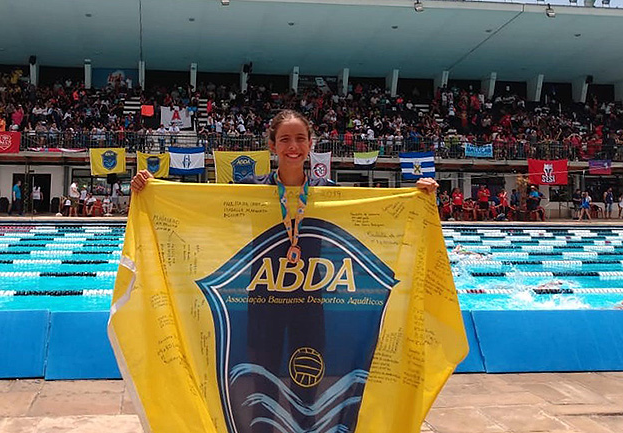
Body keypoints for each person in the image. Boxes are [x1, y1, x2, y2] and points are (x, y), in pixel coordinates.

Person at [131, 109, 438, 432]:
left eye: (301, 138)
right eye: (285, 139)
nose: (294, 146)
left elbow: (379, 214)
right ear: (272, 146)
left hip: (311, 302)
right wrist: (155, 189)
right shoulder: (251, 192)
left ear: (311, 144)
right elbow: (199, 210)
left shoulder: (330, 193)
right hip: (264, 301)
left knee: (309, 380)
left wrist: (417, 195)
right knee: (262, 380)